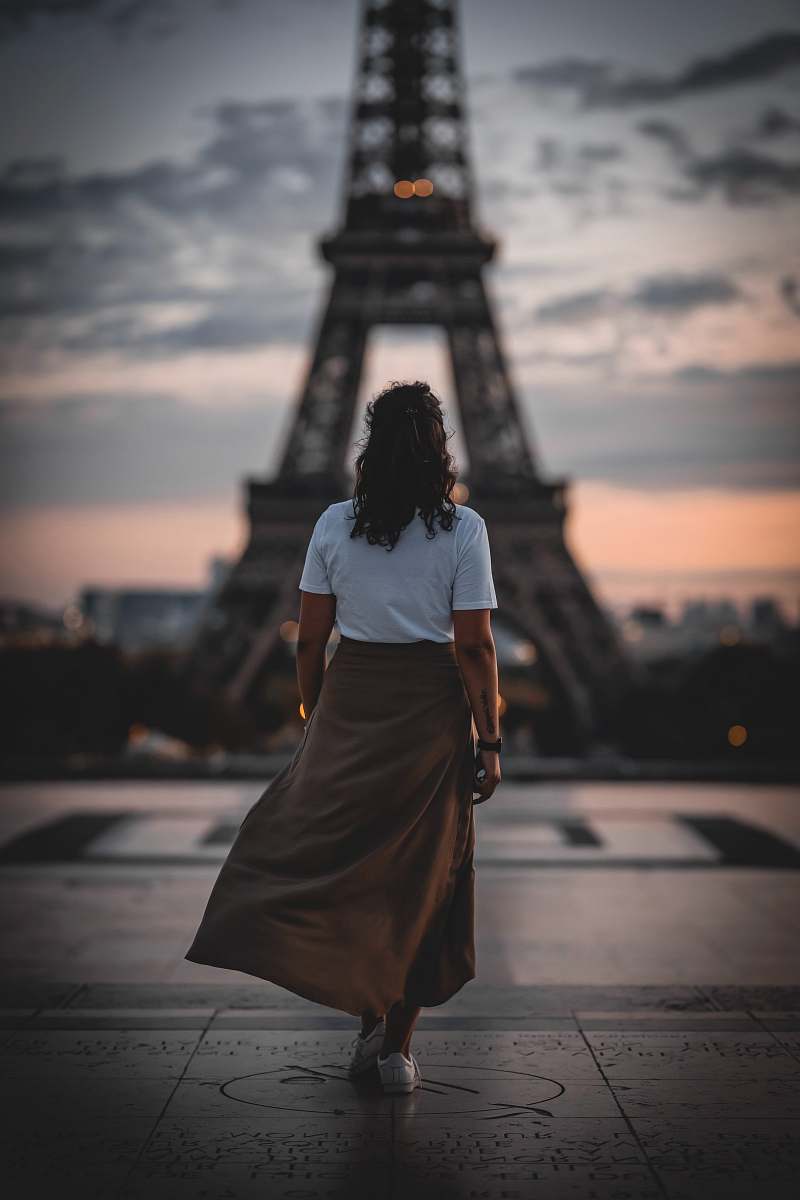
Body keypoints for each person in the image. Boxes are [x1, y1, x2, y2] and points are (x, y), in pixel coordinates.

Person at [184, 379, 502, 1095]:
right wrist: (491, 739)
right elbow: (476, 648)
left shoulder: (331, 525)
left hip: (351, 701)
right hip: (432, 713)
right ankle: (397, 1049)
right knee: (428, 877)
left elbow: (308, 643)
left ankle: (365, 1022)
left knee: (351, 868)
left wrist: (315, 715)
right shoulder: (465, 529)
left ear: (368, 447)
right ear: (439, 449)